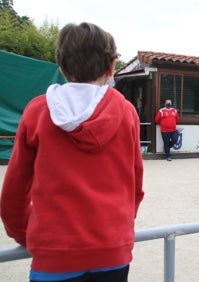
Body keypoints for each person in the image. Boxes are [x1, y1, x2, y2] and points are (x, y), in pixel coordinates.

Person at [0, 22, 144, 282]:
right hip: (113, 253)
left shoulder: (37, 112)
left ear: (62, 67)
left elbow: (12, 193)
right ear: (112, 67)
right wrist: (115, 231)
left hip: (54, 255)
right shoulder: (127, 113)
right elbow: (135, 186)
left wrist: (28, 234)